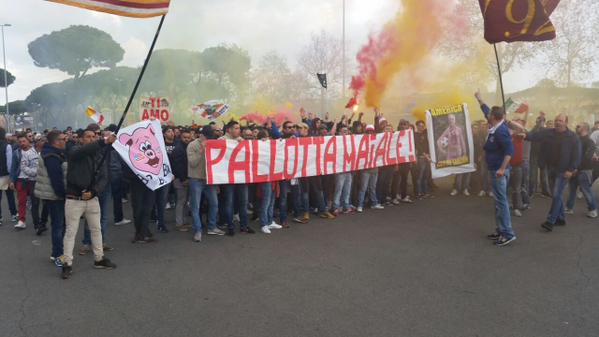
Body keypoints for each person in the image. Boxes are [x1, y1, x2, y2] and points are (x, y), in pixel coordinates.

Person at [61, 127, 117, 280]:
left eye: (94, 136)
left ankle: (99, 258)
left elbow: (104, 177)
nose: (91, 139)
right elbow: (84, 151)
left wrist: (94, 192)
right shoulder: (74, 151)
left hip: (92, 199)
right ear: (80, 139)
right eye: (88, 136)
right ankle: (67, 263)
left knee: (96, 229)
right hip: (74, 199)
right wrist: (104, 141)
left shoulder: (100, 154)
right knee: (71, 232)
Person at [518, 113, 580, 232]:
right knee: (557, 195)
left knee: (556, 194)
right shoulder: (548, 132)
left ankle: (550, 221)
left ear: (566, 122)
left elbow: (577, 155)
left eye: (560, 120)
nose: (557, 122)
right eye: (556, 120)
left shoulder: (572, 137)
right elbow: (535, 136)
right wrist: (525, 135)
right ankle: (561, 218)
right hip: (551, 169)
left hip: (564, 171)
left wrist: (571, 169)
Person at [475, 91, 516, 246]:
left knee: (502, 202)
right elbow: (485, 109)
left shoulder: (501, 131)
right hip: (494, 169)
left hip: (499, 172)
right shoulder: (496, 125)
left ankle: (508, 233)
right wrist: (479, 99)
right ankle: (500, 229)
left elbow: (509, 152)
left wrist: (501, 169)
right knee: (498, 202)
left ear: (494, 117)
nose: (488, 115)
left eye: (490, 114)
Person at [34, 130, 67, 267]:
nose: (66, 141)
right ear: (56, 141)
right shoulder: (52, 155)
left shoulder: (50, 152)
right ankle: (58, 254)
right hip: (55, 196)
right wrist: (62, 194)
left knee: (58, 225)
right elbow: (56, 179)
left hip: (52, 195)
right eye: (63, 139)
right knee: (58, 226)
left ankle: (58, 252)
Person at [187, 127, 224, 243]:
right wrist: (202, 150)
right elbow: (192, 163)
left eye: (210, 137)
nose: (209, 139)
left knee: (214, 204)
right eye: (207, 137)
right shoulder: (192, 145)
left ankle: (212, 226)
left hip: (209, 179)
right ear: (201, 135)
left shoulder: (213, 143)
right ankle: (198, 230)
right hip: (196, 179)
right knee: (195, 206)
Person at [565, 123, 597, 218]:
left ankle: (593, 210)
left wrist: (576, 168)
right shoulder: (576, 140)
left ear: (584, 128)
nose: (576, 127)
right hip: (574, 169)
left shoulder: (589, 141)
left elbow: (587, 157)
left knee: (586, 190)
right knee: (572, 190)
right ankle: (569, 208)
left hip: (584, 170)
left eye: (578, 126)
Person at [10, 132, 40, 231]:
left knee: (35, 203)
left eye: (24, 141)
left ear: (28, 141)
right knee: (22, 201)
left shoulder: (35, 151)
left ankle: (37, 222)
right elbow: (13, 167)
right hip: (20, 180)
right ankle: (21, 221)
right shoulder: (16, 153)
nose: (22, 143)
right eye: (20, 142)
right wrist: (12, 181)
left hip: (33, 180)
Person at [356, 124, 385, 213]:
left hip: (375, 168)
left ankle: (374, 203)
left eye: (371, 131)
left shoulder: (376, 141)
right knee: (363, 188)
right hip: (365, 169)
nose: (370, 133)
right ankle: (360, 205)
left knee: (372, 187)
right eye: (368, 131)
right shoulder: (362, 141)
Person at [171, 128, 193, 232]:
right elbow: (177, 166)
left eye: (188, 137)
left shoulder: (186, 147)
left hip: (186, 178)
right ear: (180, 137)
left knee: (184, 201)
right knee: (181, 201)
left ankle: (183, 221)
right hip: (181, 179)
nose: (187, 139)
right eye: (185, 137)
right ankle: (179, 223)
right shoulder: (178, 149)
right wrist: (183, 179)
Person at [0, 127, 18, 225]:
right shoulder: (7, 146)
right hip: (5, 175)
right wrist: (11, 176)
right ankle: (13, 214)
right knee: (10, 196)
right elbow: (9, 163)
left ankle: (0, 218)